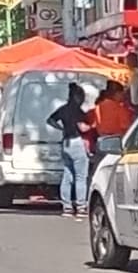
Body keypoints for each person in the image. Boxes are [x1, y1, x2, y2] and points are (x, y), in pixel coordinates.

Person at [50, 87, 95, 218]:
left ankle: (67, 207)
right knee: (81, 176)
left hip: (65, 142)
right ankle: (81, 206)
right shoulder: (77, 111)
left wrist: (61, 128)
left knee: (67, 174)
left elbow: (50, 120)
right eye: (82, 97)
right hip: (76, 142)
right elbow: (82, 127)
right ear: (77, 96)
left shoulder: (63, 109)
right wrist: (93, 126)